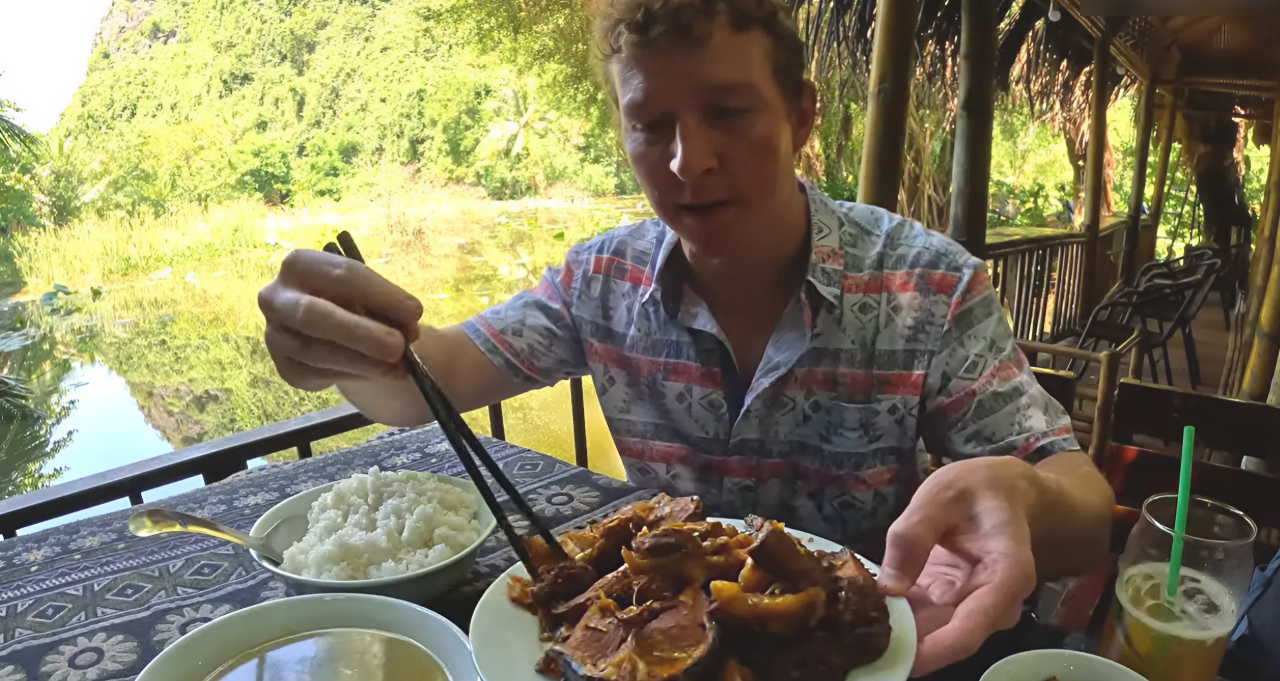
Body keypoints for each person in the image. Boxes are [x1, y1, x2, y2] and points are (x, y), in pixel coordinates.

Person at [256, 0, 1115, 675]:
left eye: (728, 112)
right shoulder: (602, 279)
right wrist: (338, 348)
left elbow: (1079, 507)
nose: (686, 159)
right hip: (663, 651)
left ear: (802, 115)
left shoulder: (927, 282)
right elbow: (428, 378)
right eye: (651, 124)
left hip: (864, 650)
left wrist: (1023, 494)